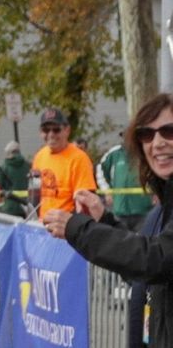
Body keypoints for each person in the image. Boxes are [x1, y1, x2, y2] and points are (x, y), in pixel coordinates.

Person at [44, 93, 173, 344]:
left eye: (168, 131)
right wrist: (104, 220)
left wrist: (77, 228)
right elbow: (138, 271)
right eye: (147, 134)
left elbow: (155, 259)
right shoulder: (160, 210)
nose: (157, 143)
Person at [32, 108, 96, 219]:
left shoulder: (79, 158)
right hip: (42, 227)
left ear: (67, 130)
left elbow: (85, 203)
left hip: (66, 228)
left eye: (56, 129)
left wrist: (72, 228)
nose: (51, 134)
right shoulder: (39, 157)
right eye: (46, 130)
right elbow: (35, 193)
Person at [97, 136, 153, 231]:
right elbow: (100, 169)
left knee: (143, 241)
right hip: (119, 209)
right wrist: (106, 190)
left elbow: (157, 172)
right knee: (121, 241)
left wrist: (157, 191)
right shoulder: (114, 153)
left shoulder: (146, 151)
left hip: (144, 209)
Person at [0, 141, 32, 217]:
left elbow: (0, 185)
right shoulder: (28, 165)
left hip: (10, 206)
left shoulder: (4, 166)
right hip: (26, 205)